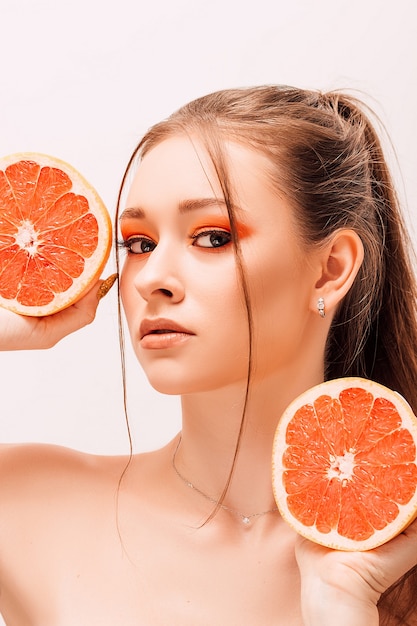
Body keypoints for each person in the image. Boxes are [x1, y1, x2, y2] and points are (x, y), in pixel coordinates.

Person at [1, 85, 417, 626]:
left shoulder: (392, 563)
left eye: (213, 237)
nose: (152, 278)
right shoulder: (26, 504)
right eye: (139, 243)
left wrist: (342, 610)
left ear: (330, 267)